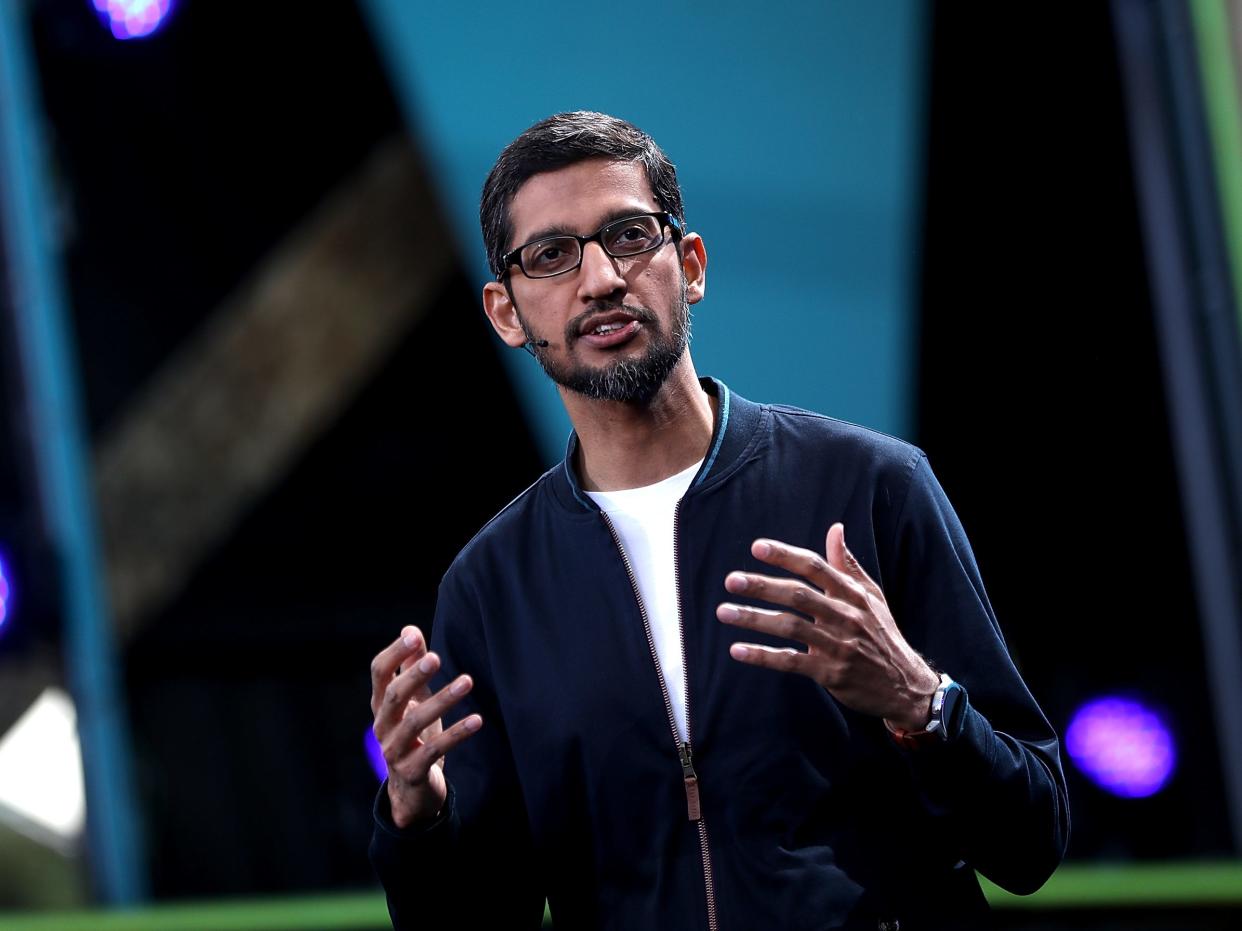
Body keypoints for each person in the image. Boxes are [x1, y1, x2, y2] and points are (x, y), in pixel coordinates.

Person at [368, 111, 1068, 931]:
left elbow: (1032, 841)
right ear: (506, 312)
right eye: (552, 256)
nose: (599, 280)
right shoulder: (491, 587)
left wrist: (923, 704)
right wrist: (419, 818)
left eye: (628, 235)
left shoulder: (872, 486)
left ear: (690, 265)